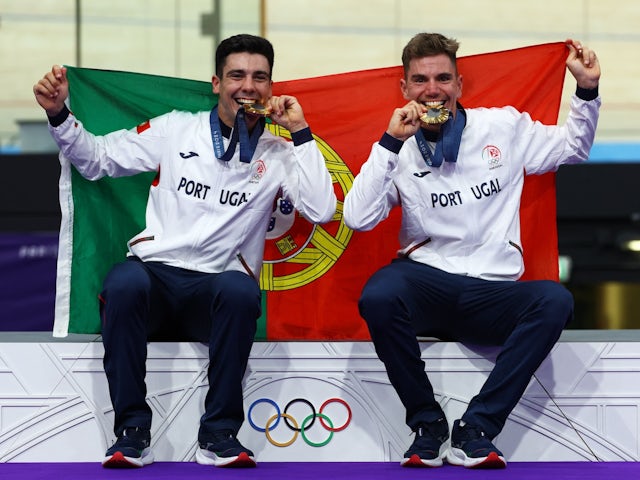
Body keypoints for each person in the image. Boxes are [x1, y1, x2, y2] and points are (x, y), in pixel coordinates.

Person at [33, 34, 337, 469]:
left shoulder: (280, 152)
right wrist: (59, 113)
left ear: (271, 88)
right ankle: (132, 432)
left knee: (240, 292)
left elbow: (322, 209)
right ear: (216, 83)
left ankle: (219, 435)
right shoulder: (176, 128)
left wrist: (300, 131)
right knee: (122, 281)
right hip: (155, 278)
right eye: (236, 75)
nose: (247, 86)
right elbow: (97, 158)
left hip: (216, 290)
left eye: (259, 77)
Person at [343, 33, 600, 469]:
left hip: (493, 291)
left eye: (443, 77)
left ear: (459, 85)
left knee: (555, 300)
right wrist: (388, 143)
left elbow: (573, 147)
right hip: (427, 283)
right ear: (404, 89)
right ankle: (427, 424)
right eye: (420, 80)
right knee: (380, 294)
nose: (432, 89)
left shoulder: (503, 127)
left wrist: (587, 89)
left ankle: (477, 429)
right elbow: (357, 217)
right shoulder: (399, 147)